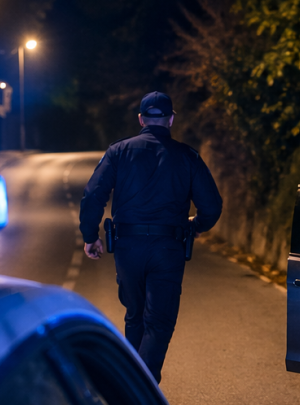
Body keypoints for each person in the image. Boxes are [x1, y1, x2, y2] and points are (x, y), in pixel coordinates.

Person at [79, 91, 222, 382]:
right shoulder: (187, 156)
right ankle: (143, 391)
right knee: (158, 322)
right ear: (170, 119)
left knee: (135, 316)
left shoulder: (119, 151)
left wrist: (90, 235)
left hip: (127, 246)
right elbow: (212, 205)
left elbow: (93, 194)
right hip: (168, 247)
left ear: (142, 119)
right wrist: (196, 226)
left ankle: (132, 391)